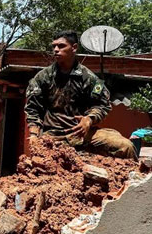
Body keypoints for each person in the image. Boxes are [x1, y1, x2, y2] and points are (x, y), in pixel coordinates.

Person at [25, 30, 137, 159]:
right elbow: (33, 108)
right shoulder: (42, 77)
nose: (55, 49)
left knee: (125, 146)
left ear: (74, 47)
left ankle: (134, 178)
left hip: (82, 133)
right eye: (54, 46)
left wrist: (89, 119)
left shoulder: (90, 78)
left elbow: (103, 105)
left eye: (61, 46)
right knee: (41, 162)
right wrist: (34, 134)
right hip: (52, 135)